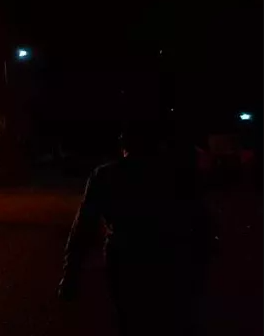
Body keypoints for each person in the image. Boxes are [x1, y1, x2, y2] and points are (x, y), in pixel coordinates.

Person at [58, 126, 214, 336]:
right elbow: (199, 219)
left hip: (124, 258)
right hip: (166, 257)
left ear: (124, 146)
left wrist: (71, 274)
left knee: (130, 320)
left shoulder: (105, 175)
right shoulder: (173, 175)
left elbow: (84, 226)